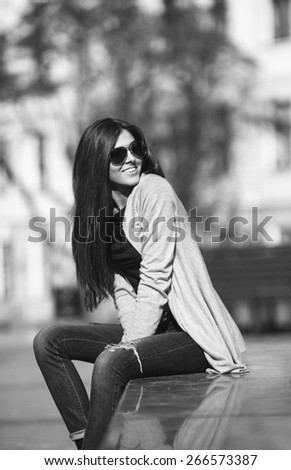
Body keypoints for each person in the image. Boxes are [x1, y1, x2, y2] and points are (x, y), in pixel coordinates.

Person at [33, 117, 248, 450]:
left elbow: (155, 275)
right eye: (118, 154)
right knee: (50, 340)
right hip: (150, 331)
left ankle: (94, 456)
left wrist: (130, 344)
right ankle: (87, 445)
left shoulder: (154, 190)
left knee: (111, 362)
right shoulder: (101, 215)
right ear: (97, 162)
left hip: (188, 334)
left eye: (135, 148)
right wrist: (132, 339)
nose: (131, 158)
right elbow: (123, 286)